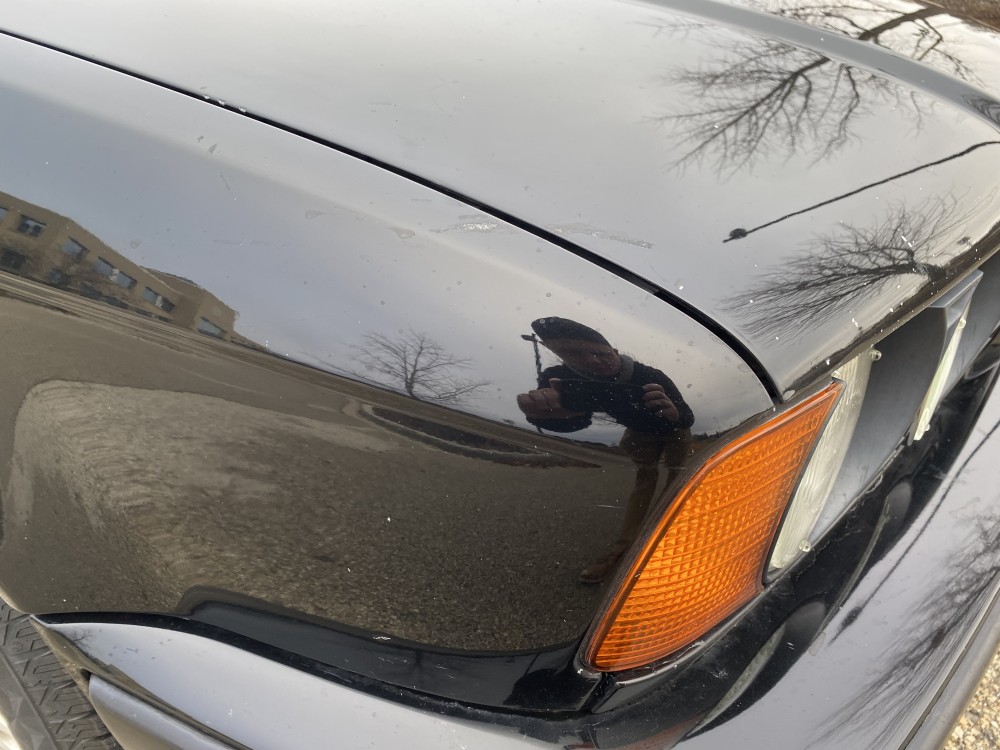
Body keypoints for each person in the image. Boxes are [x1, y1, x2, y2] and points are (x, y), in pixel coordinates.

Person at [516, 317, 694, 583]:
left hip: (673, 431)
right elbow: (577, 424)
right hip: (638, 433)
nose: (594, 361)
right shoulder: (561, 379)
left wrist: (674, 414)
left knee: (677, 481)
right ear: (560, 355)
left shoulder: (651, 376)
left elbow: (687, 417)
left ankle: (672, 536)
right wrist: (546, 412)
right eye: (575, 354)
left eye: (601, 353)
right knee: (644, 480)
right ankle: (621, 554)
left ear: (615, 351)